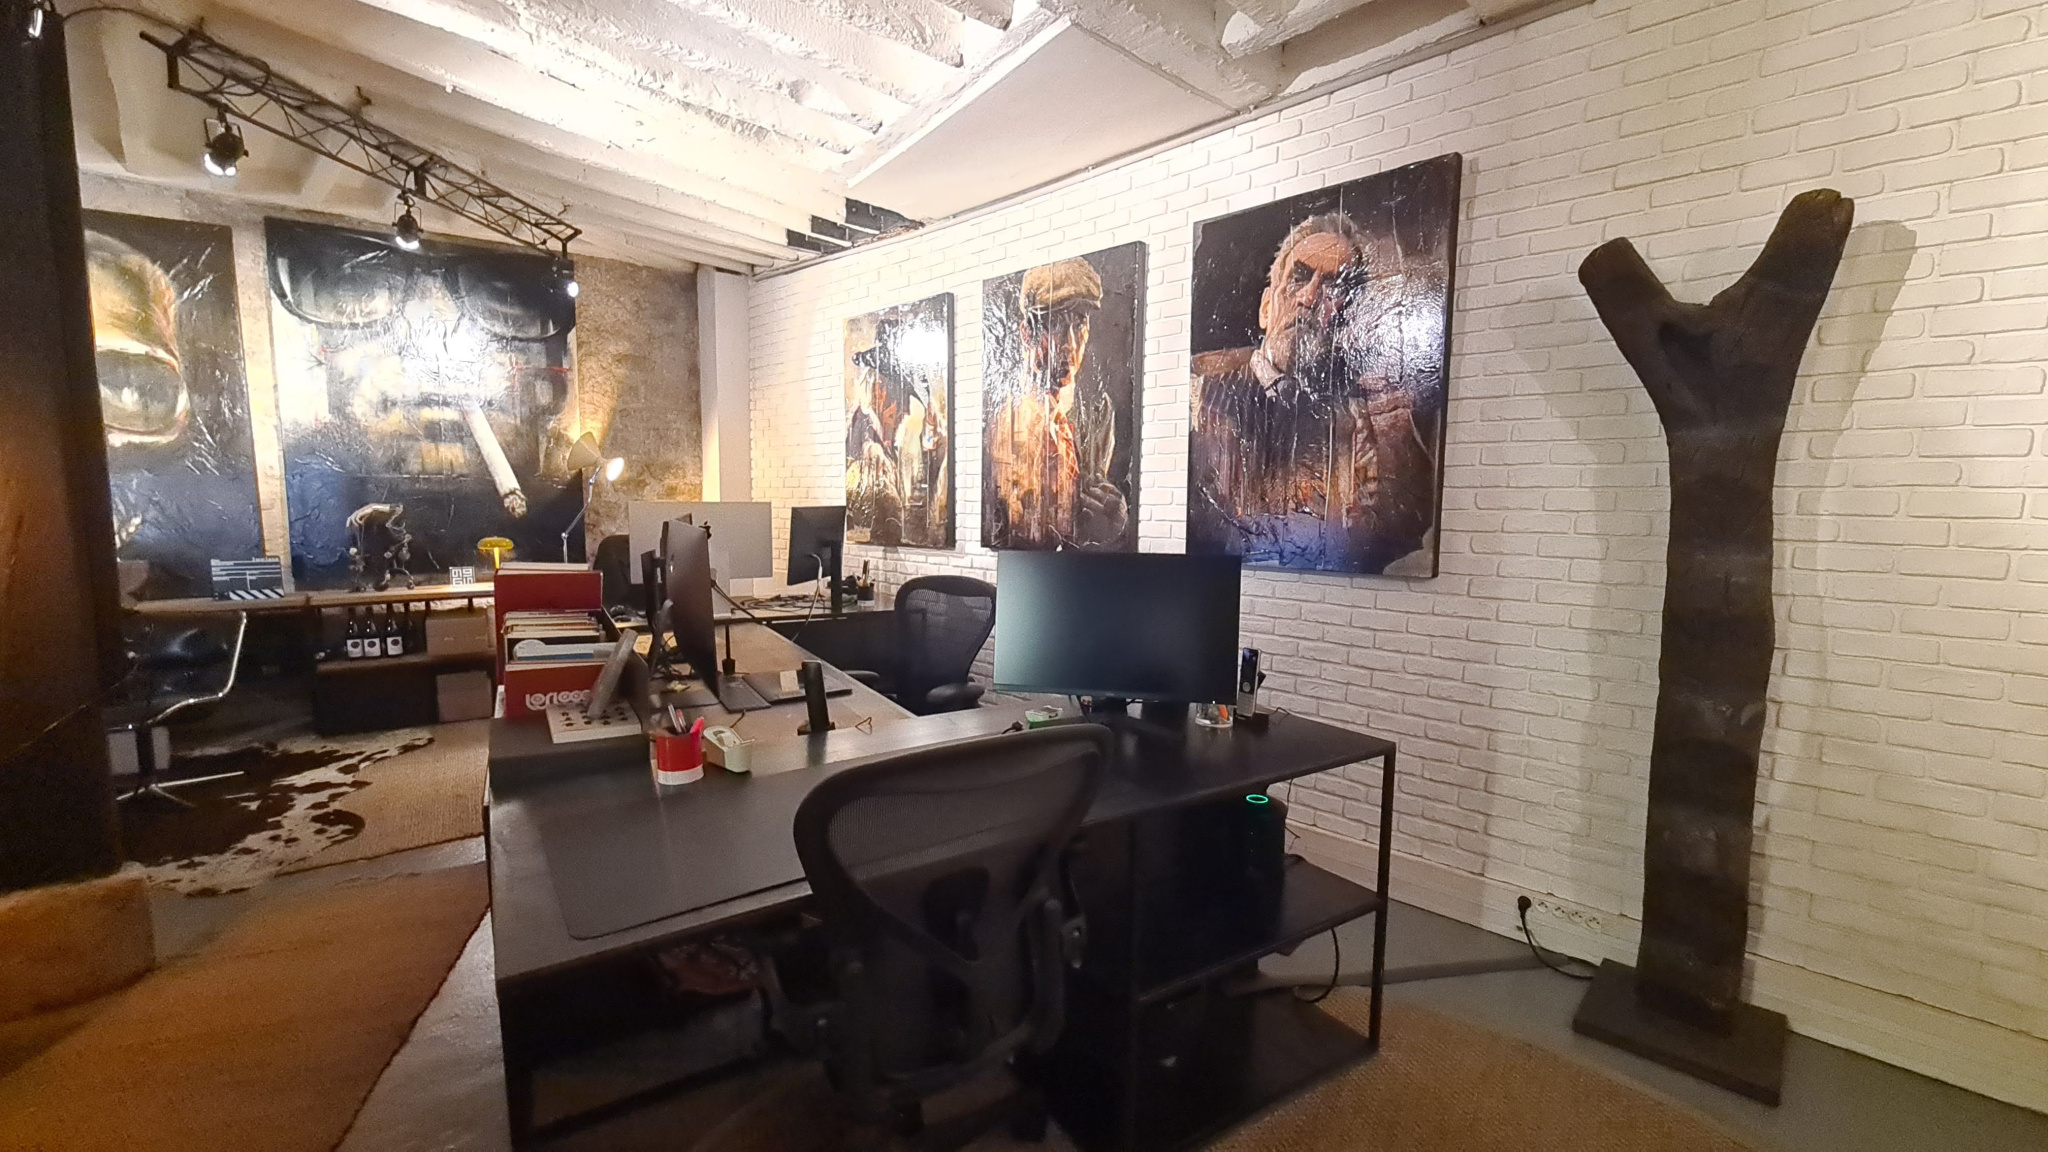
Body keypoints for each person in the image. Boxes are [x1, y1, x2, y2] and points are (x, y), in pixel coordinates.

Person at [1188, 211, 1441, 574]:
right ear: (1265, 307)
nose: (1309, 296)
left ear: (1345, 321)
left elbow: (1397, 530)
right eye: (1299, 277)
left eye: (1332, 287)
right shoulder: (1198, 394)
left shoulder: (1362, 417)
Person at [984, 257, 1130, 550]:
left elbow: (1102, 494)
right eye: (1055, 325)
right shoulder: (1000, 412)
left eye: (1079, 324)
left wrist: (1115, 522)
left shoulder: (1098, 410)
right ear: (1027, 334)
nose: (1070, 344)